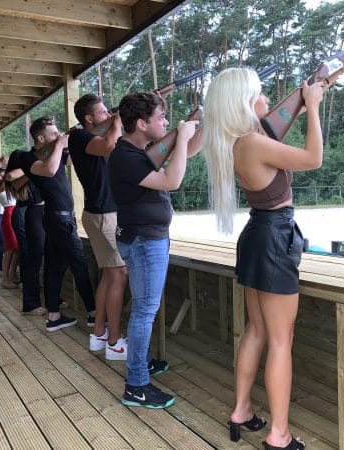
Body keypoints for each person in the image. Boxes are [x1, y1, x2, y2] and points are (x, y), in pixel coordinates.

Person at [201, 54, 344, 450]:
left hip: (258, 236)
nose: (266, 98)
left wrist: (338, 70)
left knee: (257, 330)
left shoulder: (240, 139)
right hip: (275, 239)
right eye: (259, 93)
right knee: (280, 339)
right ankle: (278, 434)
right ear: (245, 102)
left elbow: (292, 105)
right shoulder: (255, 142)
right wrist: (314, 108)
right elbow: (314, 158)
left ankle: (242, 410)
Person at [109, 92, 199, 409]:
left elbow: (186, 152)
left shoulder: (139, 150)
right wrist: (182, 136)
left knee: (143, 309)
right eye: (161, 118)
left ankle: (143, 362)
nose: (165, 121)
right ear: (141, 124)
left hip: (147, 238)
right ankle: (136, 385)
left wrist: (198, 128)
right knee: (145, 312)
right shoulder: (126, 156)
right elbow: (172, 181)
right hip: (144, 241)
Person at [18, 116, 96, 331]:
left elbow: (73, 160)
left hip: (59, 218)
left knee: (55, 267)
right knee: (79, 264)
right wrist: (60, 144)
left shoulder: (54, 153)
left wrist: (75, 138)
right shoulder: (28, 158)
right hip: (59, 219)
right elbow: (50, 170)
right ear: (41, 138)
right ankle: (94, 314)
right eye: (53, 134)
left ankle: (53, 316)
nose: (58, 135)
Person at [69, 94, 128, 360]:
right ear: (88, 118)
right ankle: (115, 343)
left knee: (109, 274)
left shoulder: (90, 136)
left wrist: (115, 121)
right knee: (119, 274)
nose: (108, 115)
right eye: (103, 112)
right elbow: (108, 146)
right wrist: (117, 121)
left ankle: (99, 334)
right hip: (105, 214)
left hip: (102, 213)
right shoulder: (79, 136)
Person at [5, 150, 47, 315]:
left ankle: (37, 295)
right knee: (29, 256)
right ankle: (30, 301)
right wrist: (31, 168)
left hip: (33, 213)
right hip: (25, 213)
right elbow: (10, 177)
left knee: (32, 256)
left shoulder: (28, 173)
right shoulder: (17, 174)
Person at [0, 169, 20, 289]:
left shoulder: (7, 185)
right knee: (10, 248)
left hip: (16, 213)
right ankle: (5, 278)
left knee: (17, 248)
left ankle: (12, 275)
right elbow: (5, 186)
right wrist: (8, 176)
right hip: (9, 215)